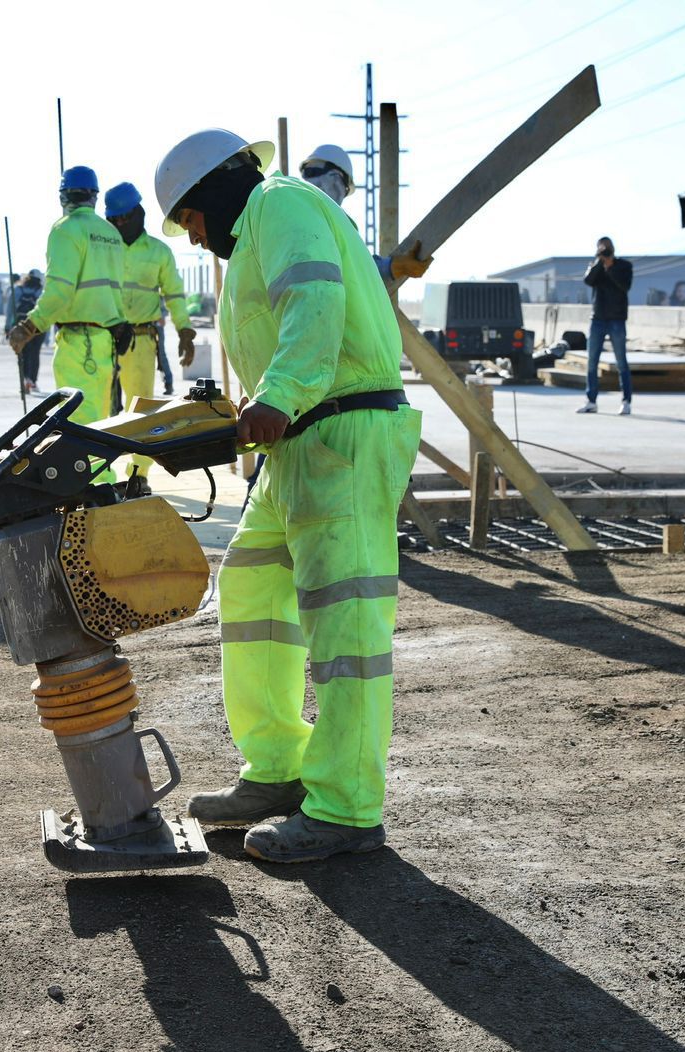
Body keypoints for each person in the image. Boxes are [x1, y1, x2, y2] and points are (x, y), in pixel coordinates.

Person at [156, 129, 421, 863]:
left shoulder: (279, 204)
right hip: (297, 445)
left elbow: (314, 299)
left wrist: (278, 395)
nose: (194, 235)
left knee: (347, 629)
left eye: (189, 219)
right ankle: (278, 769)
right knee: (251, 590)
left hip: (340, 431)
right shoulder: (252, 239)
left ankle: (346, 809)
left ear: (209, 191)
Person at [7, 166, 127, 483]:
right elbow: (117, 290)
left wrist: (30, 327)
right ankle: (103, 487)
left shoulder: (65, 230)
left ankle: (96, 493)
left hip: (78, 341)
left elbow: (59, 291)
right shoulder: (111, 234)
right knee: (102, 421)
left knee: (79, 424)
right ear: (94, 196)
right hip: (106, 340)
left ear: (64, 195)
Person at [102, 180, 197, 495]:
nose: (119, 225)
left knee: (140, 412)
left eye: (124, 219)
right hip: (101, 341)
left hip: (140, 342)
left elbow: (174, 294)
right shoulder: (103, 248)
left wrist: (184, 330)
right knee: (98, 410)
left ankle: (138, 475)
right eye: (113, 220)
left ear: (138, 214)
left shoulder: (158, 252)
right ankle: (98, 477)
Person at [299, 143, 433, 286]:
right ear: (336, 177)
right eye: (345, 188)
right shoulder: (325, 223)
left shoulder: (295, 215)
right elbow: (355, 268)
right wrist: (395, 266)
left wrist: (394, 266)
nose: (342, 194)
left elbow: (351, 266)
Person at [578, 236, 634, 415]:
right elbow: (588, 281)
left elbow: (625, 286)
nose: (605, 253)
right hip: (598, 319)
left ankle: (626, 401)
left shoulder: (624, 266)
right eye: (601, 250)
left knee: (621, 362)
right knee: (592, 362)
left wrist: (610, 268)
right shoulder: (596, 266)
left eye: (607, 249)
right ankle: (591, 400)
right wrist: (599, 263)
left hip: (617, 319)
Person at [11, 269, 46, 394]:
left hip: (22, 324)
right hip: (38, 326)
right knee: (35, 353)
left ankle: (25, 380)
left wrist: (8, 326)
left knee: (24, 353)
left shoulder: (18, 290)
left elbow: (10, 308)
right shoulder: (41, 291)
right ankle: (33, 381)